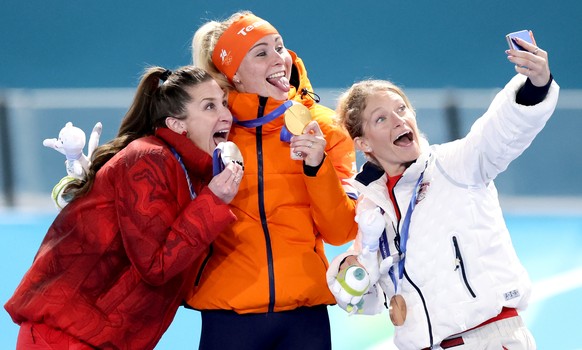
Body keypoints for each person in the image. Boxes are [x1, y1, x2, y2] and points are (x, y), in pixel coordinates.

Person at [327, 36, 559, 349]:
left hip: (489, 339)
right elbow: (370, 299)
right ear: (364, 144)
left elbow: (502, 129)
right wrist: (347, 271)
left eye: (402, 109)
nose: (399, 120)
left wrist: (536, 82)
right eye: (381, 118)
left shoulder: (456, 164)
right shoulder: (372, 206)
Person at [4, 65, 244, 349]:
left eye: (224, 104)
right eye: (209, 107)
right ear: (177, 124)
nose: (226, 115)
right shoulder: (149, 159)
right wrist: (213, 201)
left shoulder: (188, 171)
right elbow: (156, 265)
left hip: (99, 339)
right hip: (66, 339)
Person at [187, 11, 358, 349]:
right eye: (261, 53)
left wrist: (316, 166)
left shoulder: (323, 127)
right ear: (233, 74)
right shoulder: (209, 129)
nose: (279, 60)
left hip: (304, 318)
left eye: (279, 47)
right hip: (227, 316)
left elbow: (341, 230)